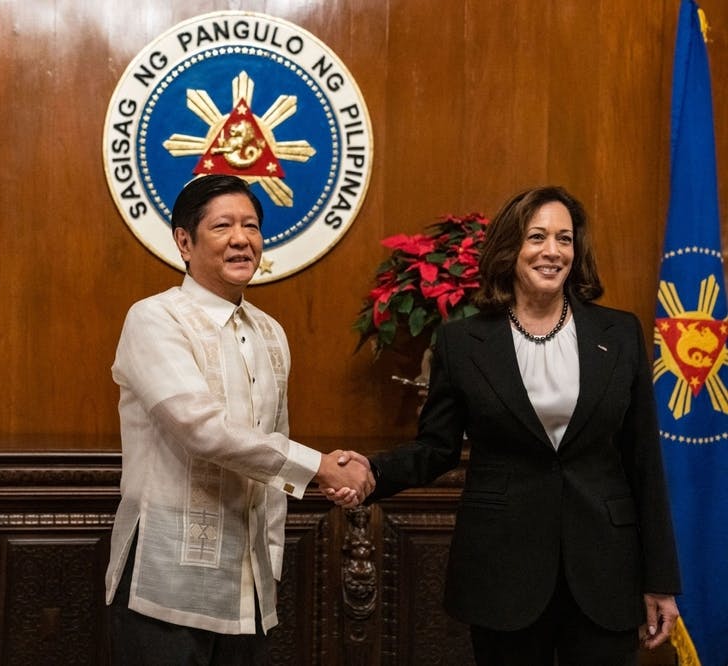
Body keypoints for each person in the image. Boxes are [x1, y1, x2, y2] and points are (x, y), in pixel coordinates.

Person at [332, 186, 681, 665]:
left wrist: (660, 578)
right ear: (509, 248)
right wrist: (371, 471)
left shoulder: (619, 334)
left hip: (605, 569)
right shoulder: (462, 342)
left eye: (564, 238)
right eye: (537, 237)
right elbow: (436, 448)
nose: (552, 251)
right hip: (503, 571)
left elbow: (644, 459)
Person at [105, 174, 374, 665]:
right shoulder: (154, 319)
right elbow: (200, 429)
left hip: (248, 583)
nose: (241, 239)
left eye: (251, 226)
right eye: (222, 226)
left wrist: (272, 558)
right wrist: (319, 467)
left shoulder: (270, 332)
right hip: (166, 578)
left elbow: (274, 444)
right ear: (184, 241)